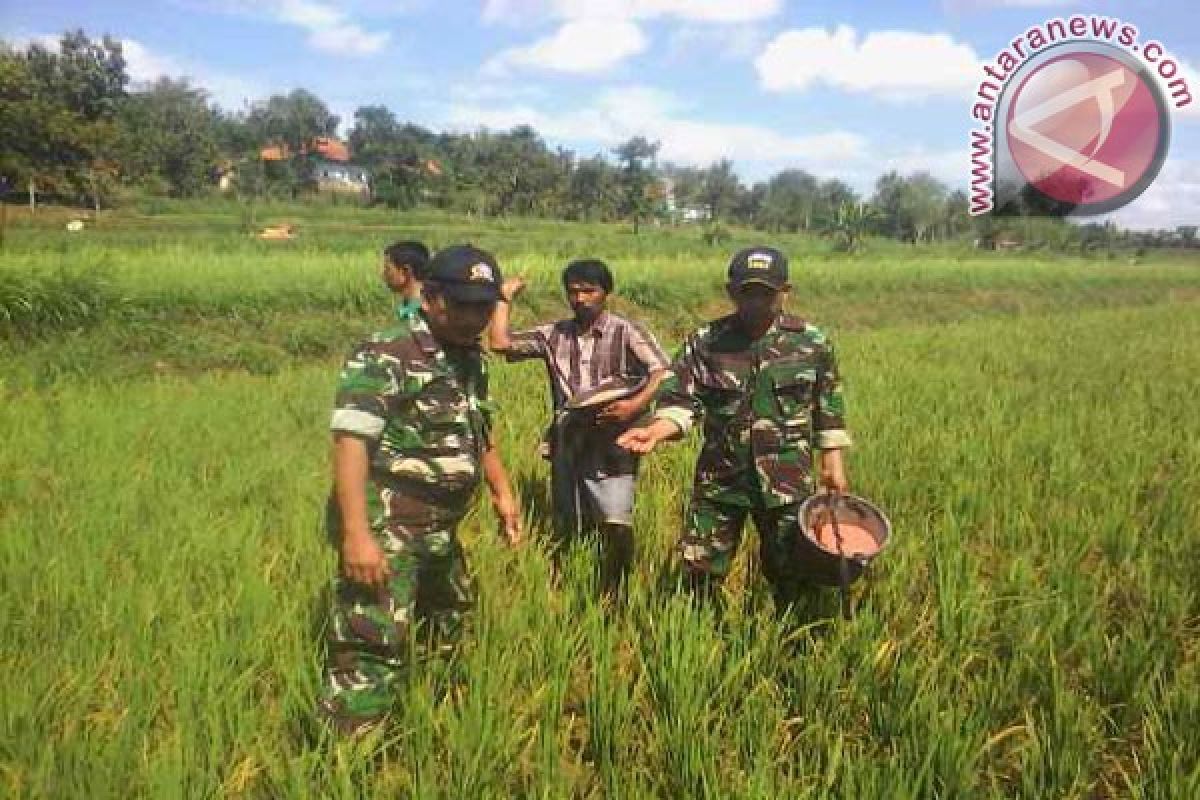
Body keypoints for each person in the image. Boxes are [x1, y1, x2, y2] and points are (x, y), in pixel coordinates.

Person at [319, 244, 523, 737]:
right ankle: (349, 757)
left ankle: (437, 726)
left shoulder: (468, 357)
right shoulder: (387, 352)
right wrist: (356, 537)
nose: (476, 318)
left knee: (450, 622)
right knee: (373, 642)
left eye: (485, 306)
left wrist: (502, 491)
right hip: (388, 524)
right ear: (431, 298)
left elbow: (480, 429)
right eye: (464, 305)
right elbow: (351, 443)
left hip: (441, 526)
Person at [617, 246, 852, 611]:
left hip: (787, 482)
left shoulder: (811, 342)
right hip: (720, 480)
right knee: (698, 572)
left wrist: (833, 460)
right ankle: (697, 642)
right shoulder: (707, 341)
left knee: (793, 573)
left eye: (766, 293)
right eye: (748, 292)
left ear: (785, 291)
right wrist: (657, 430)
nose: (757, 301)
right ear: (731, 292)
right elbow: (680, 397)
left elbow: (828, 403)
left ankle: (795, 647)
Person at [488, 259, 670, 594]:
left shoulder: (626, 331)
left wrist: (634, 405)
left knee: (615, 519)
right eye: (573, 291)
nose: (581, 298)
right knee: (570, 518)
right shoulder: (554, 335)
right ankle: (570, 583)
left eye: (590, 290)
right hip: (569, 438)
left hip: (614, 440)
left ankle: (616, 591)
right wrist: (503, 298)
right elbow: (500, 344)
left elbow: (662, 372)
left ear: (606, 293)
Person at [381, 240, 430, 321]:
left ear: (406, 271)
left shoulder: (424, 310)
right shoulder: (410, 305)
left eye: (388, 269)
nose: (383, 274)